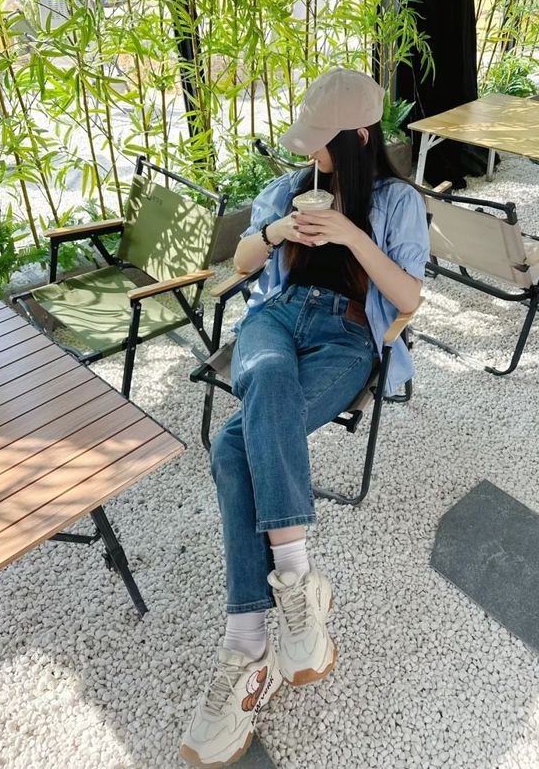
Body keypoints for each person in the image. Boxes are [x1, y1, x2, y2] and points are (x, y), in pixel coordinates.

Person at [180, 68, 430, 768]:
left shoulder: (398, 202)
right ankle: (295, 584)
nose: (312, 153)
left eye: (322, 141)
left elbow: (409, 296)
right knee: (264, 376)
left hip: (347, 336)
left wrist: (350, 232)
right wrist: (275, 229)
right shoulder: (291, 187)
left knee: (231, 445)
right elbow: (241, 262)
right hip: (277, 318)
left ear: (359, 138)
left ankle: (246, 646)